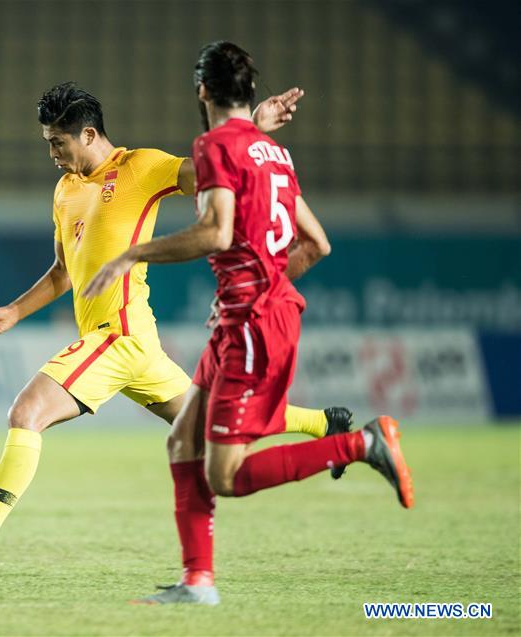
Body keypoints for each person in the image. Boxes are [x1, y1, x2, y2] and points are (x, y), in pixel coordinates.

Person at [0, 82, 352, 572]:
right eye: (46, 142)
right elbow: (64, 271)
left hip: (117, 337)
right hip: (139, 347)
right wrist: (17, 311)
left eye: (57, 143)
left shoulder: (140, 168)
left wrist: (250, 128)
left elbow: (210, 171)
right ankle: (326, 425)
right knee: (216, 424)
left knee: (26, 413)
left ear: (88, 134)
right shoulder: (65, 190)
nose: (51, 154)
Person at [84, 42, 414, 605]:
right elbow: (318, 243)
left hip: (252, 328)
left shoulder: (213, 145)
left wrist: (133, 253)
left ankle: (360, 445)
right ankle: (198, 583)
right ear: (251, 94)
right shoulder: (274, 154)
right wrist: (265, 285)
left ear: (203, 92)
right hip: (244, 319)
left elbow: (215, 231)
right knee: (181, 441)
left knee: (226, 476)